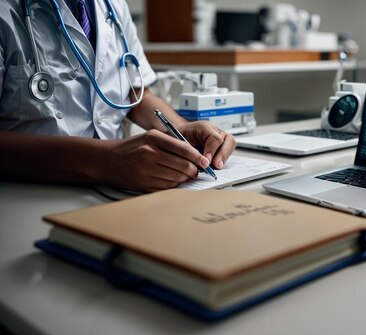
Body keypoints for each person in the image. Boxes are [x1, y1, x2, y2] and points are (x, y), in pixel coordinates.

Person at [0, 0, 236, 193]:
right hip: (31, 193)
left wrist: (181, 129)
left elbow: (135, 93)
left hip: (123, 188)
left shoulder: (112, 5)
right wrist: (106, 162)